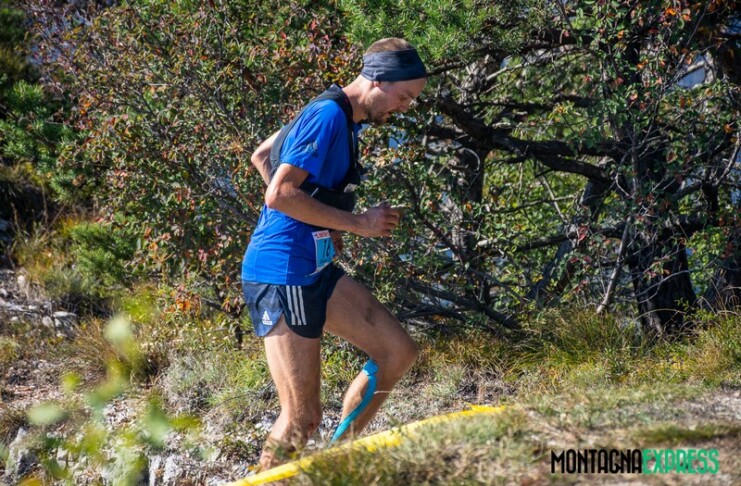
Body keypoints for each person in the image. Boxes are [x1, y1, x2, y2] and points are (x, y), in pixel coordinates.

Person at [242, 37, 427, 469]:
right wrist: (357, 223)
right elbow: (279, 194)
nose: (405, 107)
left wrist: (320, 222)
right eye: (404, 96)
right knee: (301, 419)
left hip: (313, 266)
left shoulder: (343, 116)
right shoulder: (328, 115)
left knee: (397, 352)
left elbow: (263, 155)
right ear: (379, 80)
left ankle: (335, 463)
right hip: (282, 271)